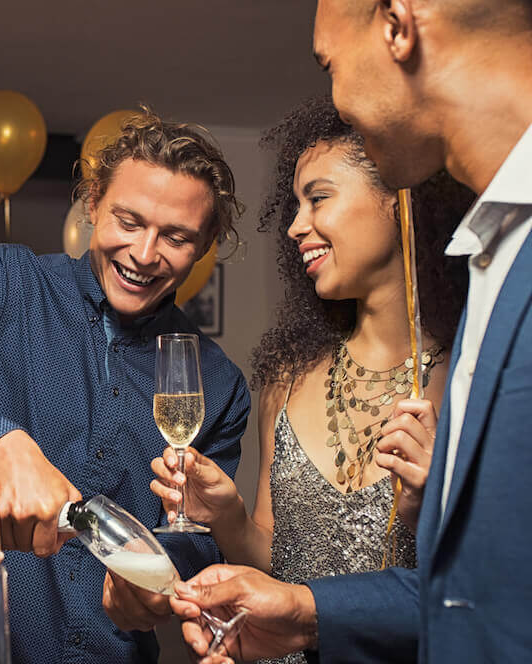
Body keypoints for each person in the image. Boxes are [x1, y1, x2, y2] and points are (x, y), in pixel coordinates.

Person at [170, 1, 532, 662]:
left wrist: (433, 508)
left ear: (398, 24)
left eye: (328, 60)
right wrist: (288, 595)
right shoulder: (496, 257)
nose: (295, 226)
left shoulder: (482, 322)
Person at [0, 109, 252, 663]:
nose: (143, 254)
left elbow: (196, 535)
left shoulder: (219, 384)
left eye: (176, 237)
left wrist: (160, 580)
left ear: (204, 244)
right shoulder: (6, 282)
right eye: (129, 222)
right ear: (92, 204)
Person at [150, 96, 473, 664]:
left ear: (398, 197)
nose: (297, 226)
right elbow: (277, 563)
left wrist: (437, 508)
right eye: (295, 204)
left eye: (318, 198)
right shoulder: (287, 379)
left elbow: (490, 588)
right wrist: (228, 518)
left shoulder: (470, 378)